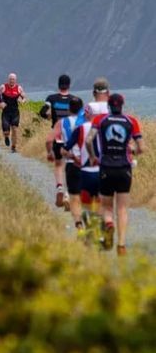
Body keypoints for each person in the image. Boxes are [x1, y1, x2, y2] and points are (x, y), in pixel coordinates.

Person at [86, 93, 144, 255]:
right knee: (123, 208)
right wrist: (132, 150)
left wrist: (92, 157)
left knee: (106, 206)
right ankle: (121, 245)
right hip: (124, 168)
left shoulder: (100, 120)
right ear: (122, 105)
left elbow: (89, 140)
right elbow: (141, 148)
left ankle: (109, 224)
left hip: (106, 167)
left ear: (109, 106)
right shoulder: (131, 121)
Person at [64, 102, 102, 238]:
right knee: (97, 199)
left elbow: (64, 149)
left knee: (77, 198)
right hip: (99, 170)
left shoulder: (79, 129)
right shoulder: (102, 128)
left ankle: (80, 225)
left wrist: (73, 157)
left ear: (86, 114)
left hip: (79, 167)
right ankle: (95, 226)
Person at [40, 74, 79, 206]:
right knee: (70, 165)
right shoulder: (75, 100)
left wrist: (49, 117)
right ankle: (68, 194)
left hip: (57, 136)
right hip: (71, 136)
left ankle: (59, 187)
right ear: (69, 85)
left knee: (58, 164)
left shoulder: (51, 98)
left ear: (58, 85)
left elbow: (42, 112)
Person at [46, 96, 83, 213]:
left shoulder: (62, 122)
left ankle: (66, 194)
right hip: (83, 158)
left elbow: (48, 140)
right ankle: (69, 196)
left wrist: (50, 152)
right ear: (81, 109)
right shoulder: (86, 122)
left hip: (69, 157)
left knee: (71, 179)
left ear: (69, 109)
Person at [0, 73, 26, 152]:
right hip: (6, 112)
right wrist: (0, 103)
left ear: (15, 80)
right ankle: (6, 137)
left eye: (13, 79)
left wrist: (22, 101)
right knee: (6, 131)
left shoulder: (19, 88)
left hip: (15, 112)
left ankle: (13, 147)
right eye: (10, 79)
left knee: (15, 129)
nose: (12, 81)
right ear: (8, 79)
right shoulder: (3, 87)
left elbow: (24, 97)